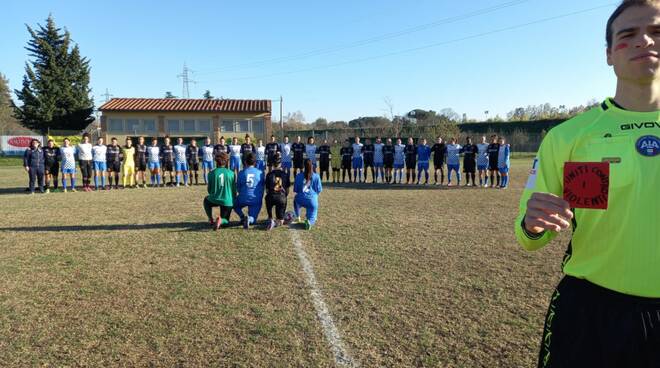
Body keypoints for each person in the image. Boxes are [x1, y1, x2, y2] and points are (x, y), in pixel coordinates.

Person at [516, 2, 660, 367]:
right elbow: (530, 236)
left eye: (657, 31)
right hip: (590, 311)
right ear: (609, 54)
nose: (644, 40)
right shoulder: (568, 137)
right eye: (628, 35)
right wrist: (533, 223)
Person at [204, 151, 236, 230]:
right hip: (227, 201)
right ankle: (221, 221)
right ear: (226, 162)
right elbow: (234, 191)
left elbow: (209, 190)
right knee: (226, 222)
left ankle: (210, 219)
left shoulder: (211, 173)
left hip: (214, 199)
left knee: (206, 200)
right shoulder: (232, 173)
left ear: (216, 162)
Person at [233, 152, 264, 229]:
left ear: (245, 162)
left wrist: (243, 194)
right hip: (255, 199)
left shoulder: (241, 173)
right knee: (253, 218)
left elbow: (238, 187)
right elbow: (262, 186)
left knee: (234, 204)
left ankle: (243, 217)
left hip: (243, 197)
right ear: (255, 163)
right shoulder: (260, 173)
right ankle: (249, 219)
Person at [293, 159, 323, 230]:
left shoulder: (298, 176)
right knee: (312, 218)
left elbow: (296, 190)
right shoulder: (316, 176)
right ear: (312, 166)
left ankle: (297, 216)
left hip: (301, 199)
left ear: (303, 166)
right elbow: (319, 190)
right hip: (312, 201)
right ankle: (309, 222)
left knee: (295, 200)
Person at [265, 153, 291, 230]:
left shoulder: (269, 174)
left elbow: (267, 190)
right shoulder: (285, 174)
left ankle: (270, 217)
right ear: (281, 164)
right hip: (281, 198)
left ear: (272, 164)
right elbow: (287, 190)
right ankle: (279, 220)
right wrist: (283, 196)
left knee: (267, 198)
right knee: (281, 220)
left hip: (271, 197)